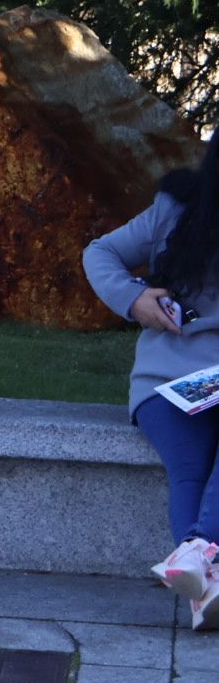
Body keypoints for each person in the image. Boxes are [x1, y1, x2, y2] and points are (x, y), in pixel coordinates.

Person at [84, 140, 219, 630]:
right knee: (192, 470)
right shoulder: (176, 207)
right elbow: (101, 253)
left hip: (165, 382)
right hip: (175, 382)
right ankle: (206, 565)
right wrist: (135, 299)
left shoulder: (176, 204)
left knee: (189, 476)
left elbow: (101, 253)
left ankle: (202, 584)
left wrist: (134, 298)